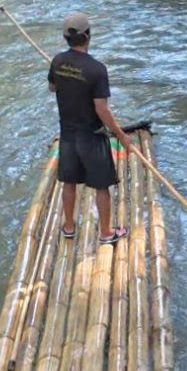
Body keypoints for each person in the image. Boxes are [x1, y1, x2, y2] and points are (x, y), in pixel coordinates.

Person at [47, 12, 132, 243]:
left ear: (66, 38)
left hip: (68, 135)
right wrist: (121, 135)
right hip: (91, 137)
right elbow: (101, 109)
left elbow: (52, 88)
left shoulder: (57, 61)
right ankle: (106, 233)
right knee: (101, 185)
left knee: (69, 182)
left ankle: (68, 227)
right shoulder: (97, 69)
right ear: (88, 36)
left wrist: (63, 76)